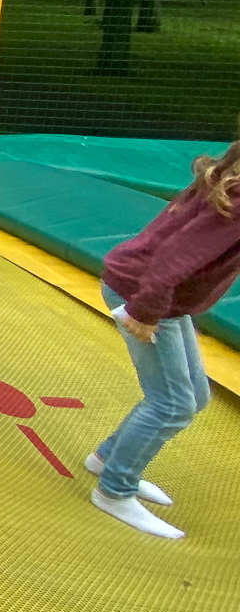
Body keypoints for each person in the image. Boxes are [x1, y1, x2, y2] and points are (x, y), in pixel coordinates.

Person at [86, 131, 240, 539]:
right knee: (172, 404)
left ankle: (107, 459)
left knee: (194, 395)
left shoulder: (229, 179)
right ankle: (114, 491)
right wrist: (146, 312)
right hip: (148, 294)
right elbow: (173, 258)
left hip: (161, 295)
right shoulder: (236, 197)